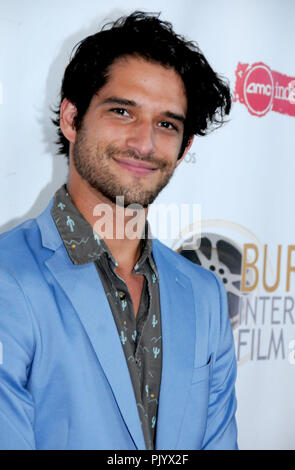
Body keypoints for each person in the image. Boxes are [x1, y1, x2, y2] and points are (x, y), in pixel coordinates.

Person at [0, 11, 238, 450]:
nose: (145, 143)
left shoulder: (204, 295)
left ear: (183, 149)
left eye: (166, 124)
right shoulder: (7, 280)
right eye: (122, 111)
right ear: (71, 118)